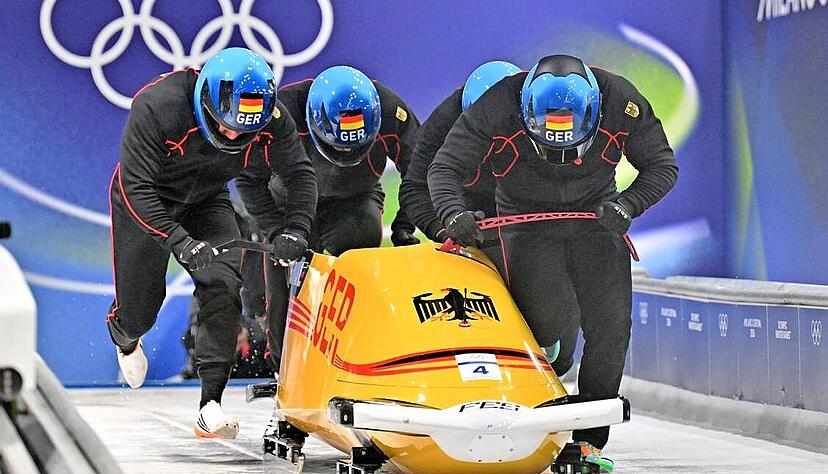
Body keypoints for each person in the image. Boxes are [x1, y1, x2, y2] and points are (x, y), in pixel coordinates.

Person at [428, 54, 678, 471]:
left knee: (611, 326)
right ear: (527, 113)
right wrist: (453, 214)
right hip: (527, 226)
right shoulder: (499, 104)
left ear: (592, 114)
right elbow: (445, 166)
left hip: (596, 221)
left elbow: (662, 165)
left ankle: (589, 441)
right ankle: (536, 413)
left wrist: (628, 205)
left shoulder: (621, 101)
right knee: (551, 324)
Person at [105, 47, 317, 439]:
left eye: (244, 129)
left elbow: (300, 174)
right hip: (148, 203)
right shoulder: (157, 107)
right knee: (141, 312)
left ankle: (210, 404)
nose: (234, 135)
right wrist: (179, 241)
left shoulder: (272, 118)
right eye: (226, 126)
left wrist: (296, 230)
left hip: (206, 200)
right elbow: (136, 188)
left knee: (221, 283)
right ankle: (125, 335)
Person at [237, 65, 420, 372]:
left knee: (358, 269)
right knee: (286, 287)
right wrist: (276, 229)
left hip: (354, 200)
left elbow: (419, 171)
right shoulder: (282, 117)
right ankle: (285, 368)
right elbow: (248, 179)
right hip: (289, 207)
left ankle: (362, 362)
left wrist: (404, 225)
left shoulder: (392, 113)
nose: (344, 151)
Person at [399, 60, 519, 271]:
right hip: (467, 213)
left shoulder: (546, 116)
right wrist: (447, 226)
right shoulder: (440, 126)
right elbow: (415, 189)